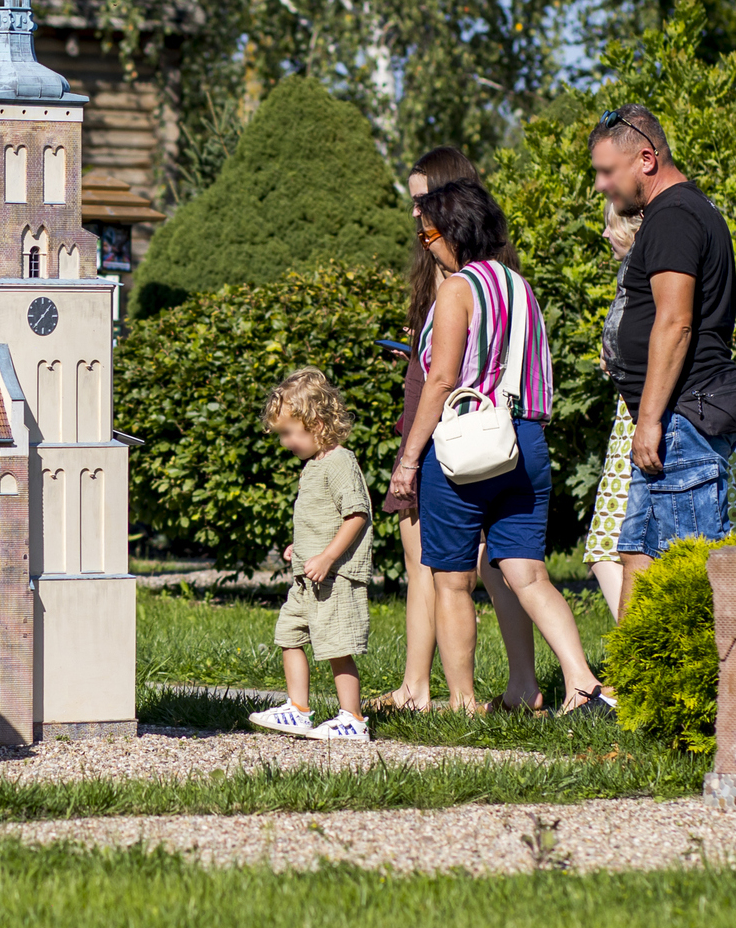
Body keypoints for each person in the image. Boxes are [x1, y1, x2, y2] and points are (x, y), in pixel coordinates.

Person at [391, 180, 609, 714]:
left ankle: (463, 703)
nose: (428, 242)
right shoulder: (520, 287)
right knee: (527, 572)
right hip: (525, 439)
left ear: (455, 232)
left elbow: (442, 379)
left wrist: (409, 458)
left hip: (468, 443)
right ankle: (580, 682)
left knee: (450, 579)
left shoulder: (456, 289)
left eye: (431, 233)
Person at [375, 148, 539, 713]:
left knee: (459, 564)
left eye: (424, 202)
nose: (417, 218)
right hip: (465, 414)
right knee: (450, 557)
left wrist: (411, 455)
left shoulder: (461, 277)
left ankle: (470, 689)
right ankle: (420, 683)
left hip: (458, 422)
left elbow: (450, 367)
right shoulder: (496, 276)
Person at [588, 104, 736, 619]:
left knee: (684, 572)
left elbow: (675, 323)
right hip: (673, 420)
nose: (600, 185)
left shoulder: (676, 216)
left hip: (682, 419)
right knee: (636, 552)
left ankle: (700, 689)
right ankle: (633, 688)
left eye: (607, 171)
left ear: (646, 158)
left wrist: (651, 420)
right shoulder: (673, 213)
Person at [247, 368, 376, 742]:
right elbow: (321, 518)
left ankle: (353, 719)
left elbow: (356, 514)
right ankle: (298, 709)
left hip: (335, 577)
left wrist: (327, 557)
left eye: (289, 432)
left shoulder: (339, 462)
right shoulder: (315, 465)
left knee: (337, 647)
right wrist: (301, 549)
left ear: (316, 423)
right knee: (289, 634)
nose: (286, 442)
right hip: (309, 576)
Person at [582, 202, 642, 620]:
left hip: (641, 420)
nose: (605, 235)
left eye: (611, 226)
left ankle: (637, 652)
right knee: (611, 545)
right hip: (635, 418)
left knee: (607, 544)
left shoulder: (642, 279)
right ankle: (638, 651)